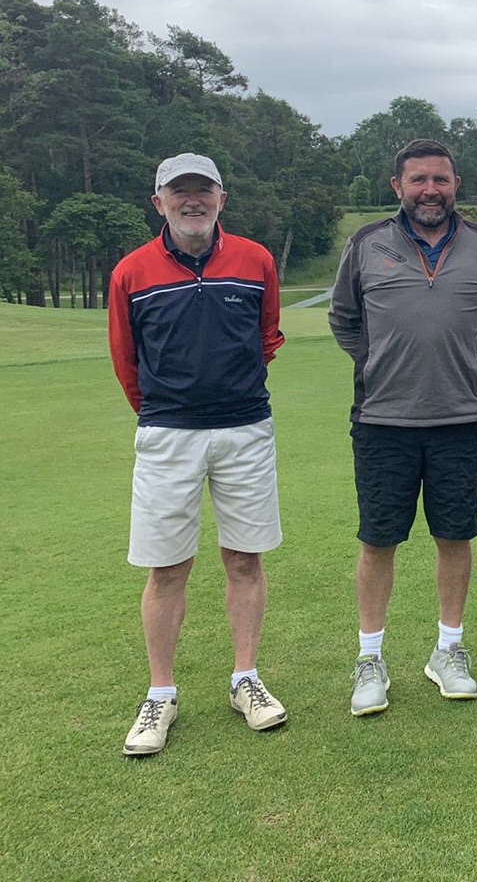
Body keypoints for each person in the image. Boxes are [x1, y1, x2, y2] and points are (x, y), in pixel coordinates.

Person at [110, 152, 287, 756]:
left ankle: (246, 679)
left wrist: (229, 391)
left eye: (202, 190)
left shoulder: (255, 259)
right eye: (178, 191)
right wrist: (167, 407)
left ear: (221, 198)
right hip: (167, 434)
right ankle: (161, 693)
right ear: (158, 201)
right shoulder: (131, 271)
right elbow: (126, 359)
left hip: (244, 429)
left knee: (244, 559)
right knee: (167, 568)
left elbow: (268, 335)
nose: (193, 200)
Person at [329, 139, 477, 715]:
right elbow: (345, 320)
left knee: (455, 535)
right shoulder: (367, 243)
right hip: (382, 418)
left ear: (456, 184)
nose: (432, 190)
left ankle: (447, 650)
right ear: (397, 186)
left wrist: (445, 365)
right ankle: (370, 658)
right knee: (379, 539)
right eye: (419, 180)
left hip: (457, 417)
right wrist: (382, 365)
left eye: (442, 180)